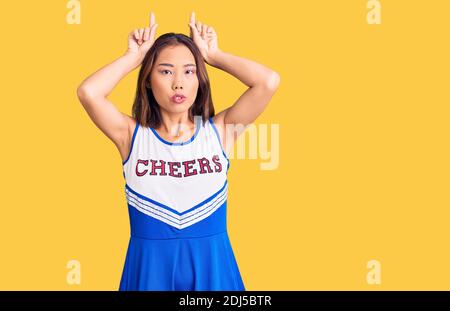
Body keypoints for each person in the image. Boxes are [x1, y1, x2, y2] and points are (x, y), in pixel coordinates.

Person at [76, 11, 280, 291]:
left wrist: (213, 54)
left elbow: (268, 82)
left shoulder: (220, 131)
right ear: (148, 79)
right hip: (149, 269)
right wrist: (134, 58)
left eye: (189, 71)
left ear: (199, 79)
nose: (178, 83)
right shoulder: (131, 135)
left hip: (213, 266)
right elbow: (89, 92)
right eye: (165, 71)